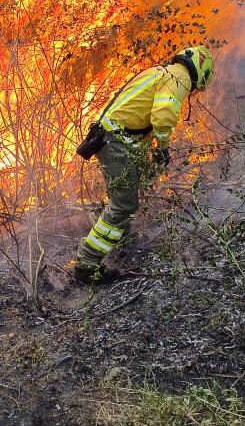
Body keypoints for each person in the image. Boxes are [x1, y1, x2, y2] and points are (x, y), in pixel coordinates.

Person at [74, 45, 215, 285]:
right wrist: (162, 148)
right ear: (202, 71)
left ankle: (124, 246)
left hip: (111, 138)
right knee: (123, 204)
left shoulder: (161, 71)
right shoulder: (179, 77)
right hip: (116, 141)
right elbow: (164, 113)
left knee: (125, 198)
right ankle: (87, 265)